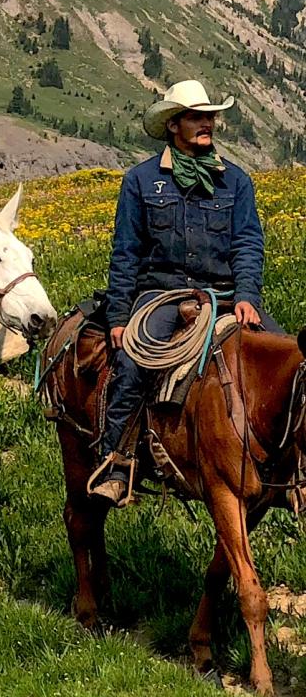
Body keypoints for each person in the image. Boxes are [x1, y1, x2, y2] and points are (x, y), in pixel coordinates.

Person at [90, 79, 277, 504]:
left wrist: (248, 295)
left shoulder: (236, 182)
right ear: (174, 124)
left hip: (226, 295)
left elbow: (248, 243)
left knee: (284, 356)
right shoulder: (140, 182)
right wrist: (119, 317)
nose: (207, 123)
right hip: (161, 295)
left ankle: (289, 465)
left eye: (210, 116)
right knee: (133, 364)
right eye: (197, 117)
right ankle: (117, 461)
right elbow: (127, 252)